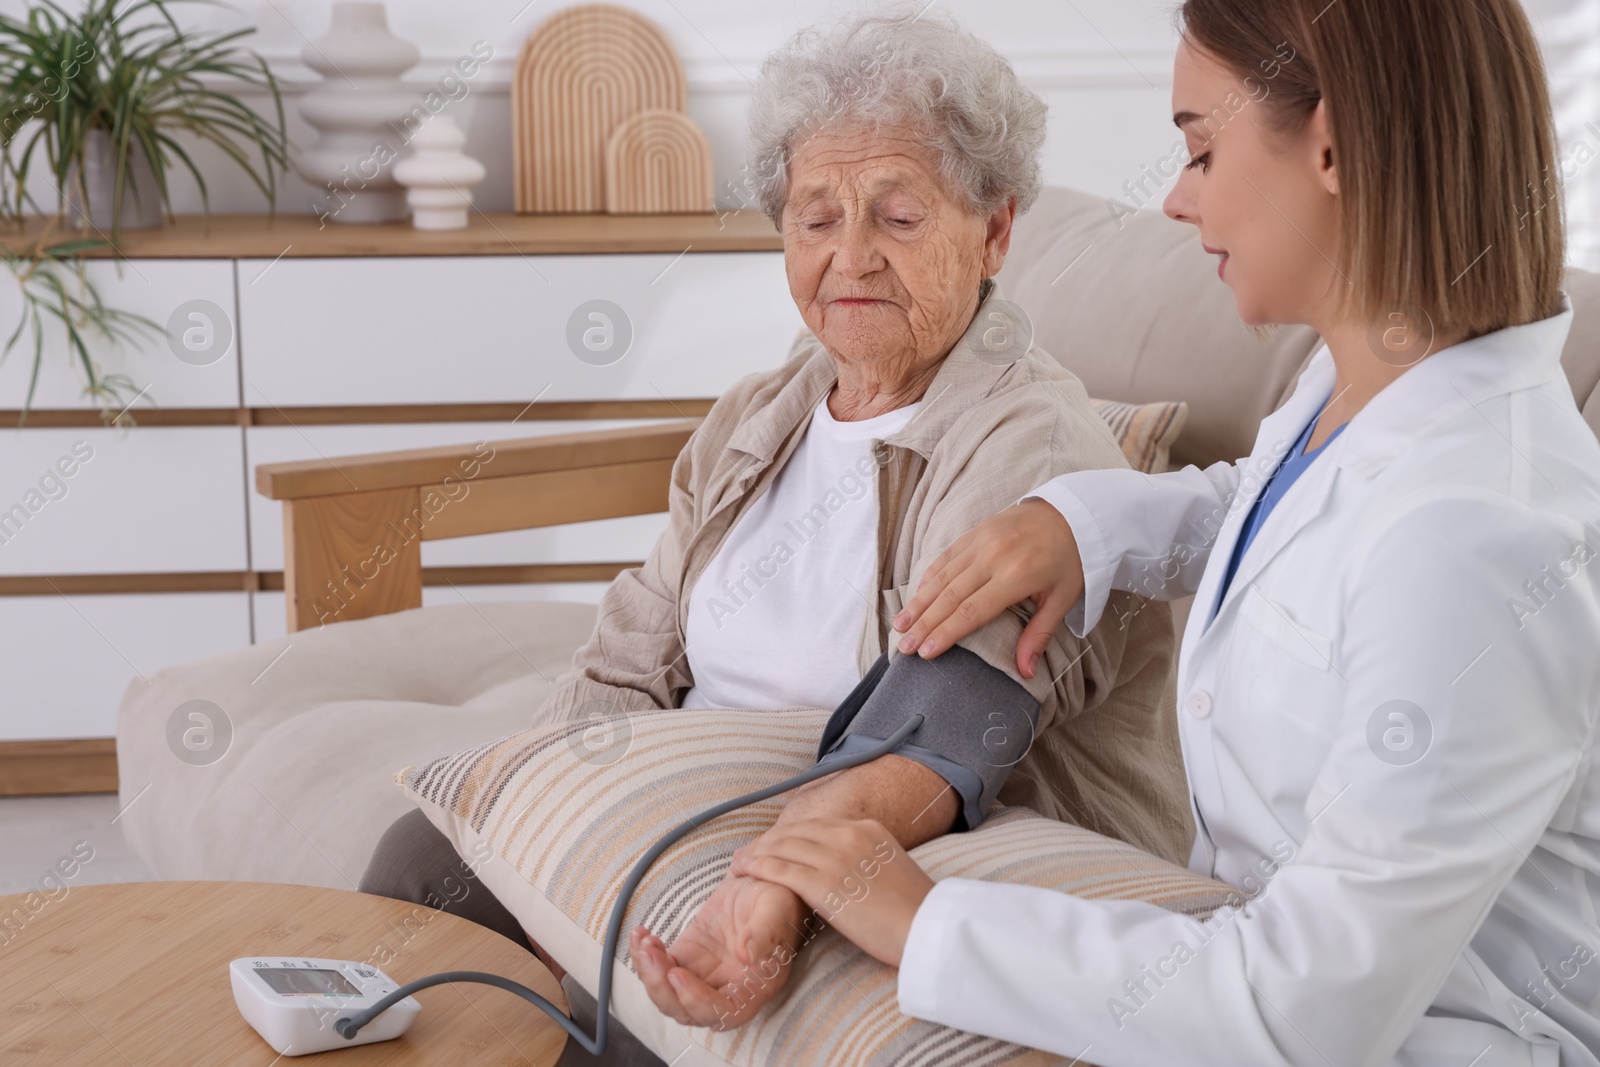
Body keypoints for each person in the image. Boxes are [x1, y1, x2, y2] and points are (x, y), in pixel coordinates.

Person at [730, 0, 1600, 1063]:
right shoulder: (1374, 376)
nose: (1179, 201)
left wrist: (925, 921)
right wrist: (1086, 524)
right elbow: (1285, 509)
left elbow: (1303, 1008)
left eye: (1198, 148)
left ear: (1331, 143)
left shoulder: (1475, 536)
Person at [362, 8, 1194, 1062]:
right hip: (697, 795)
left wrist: (762, 872)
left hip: (895, 825)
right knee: (420, 864)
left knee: (632, 991)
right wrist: (537, 802)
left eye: (896, 216)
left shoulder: (1027, 441)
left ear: (991, 231)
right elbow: (633, 644)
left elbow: (952, 724)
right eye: (814, 218)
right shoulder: (766, 409)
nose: (850, 255)